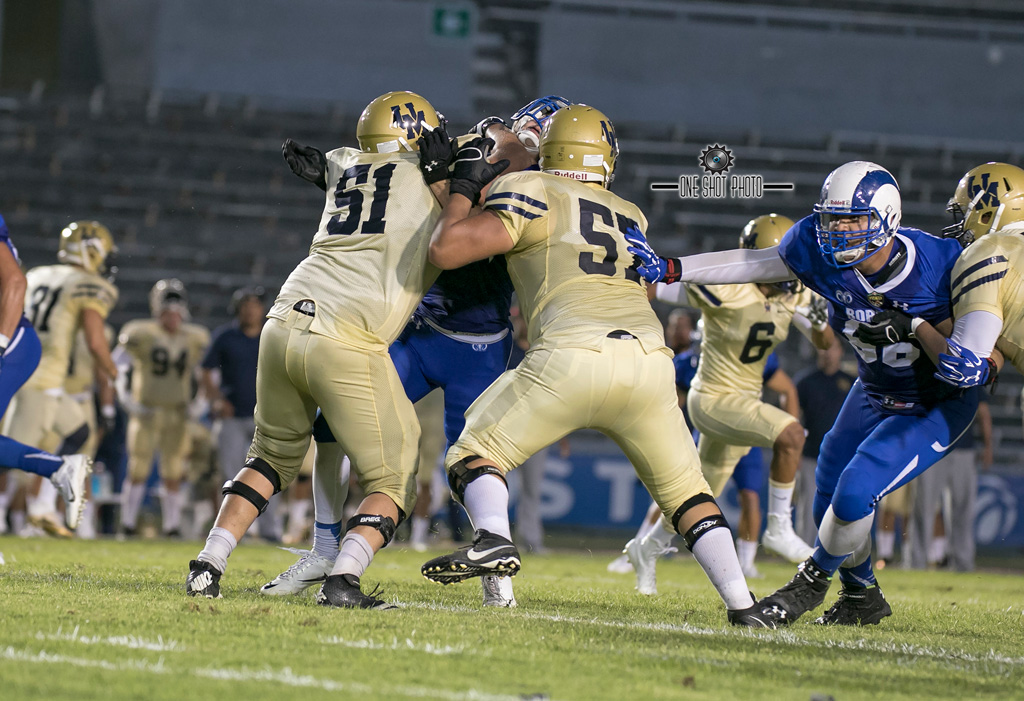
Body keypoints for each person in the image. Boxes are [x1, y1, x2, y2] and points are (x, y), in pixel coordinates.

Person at [419, 105, 776, 627]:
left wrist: (462, 186)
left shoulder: (531, 189)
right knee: (689, 495)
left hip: (572, 353)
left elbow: (448, 248)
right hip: (649, 361)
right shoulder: (629, 211)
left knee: (473, 453)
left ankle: (494, 537)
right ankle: (744, 607)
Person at [627, 161, 977, 626]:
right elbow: (756, 263)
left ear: (888, 219)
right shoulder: (817, 248)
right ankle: (861, 594)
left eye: (853, 220)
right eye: (833, 219)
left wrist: (918, 327)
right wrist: (673, 268)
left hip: (932, 403)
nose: (838, 231)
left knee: (854, 495)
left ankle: (807, 585)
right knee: (827, 496)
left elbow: (979, 347)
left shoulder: (940, 265)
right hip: (872, 389)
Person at [262, 97, 565, 608]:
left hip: (479, 341)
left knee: (476, 456)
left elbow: (462, 224)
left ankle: (496, 571)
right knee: (331, 424)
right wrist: (332, 180)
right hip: (420, 327)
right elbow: (401, 196)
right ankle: (325, 545)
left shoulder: (545, 192)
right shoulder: (492, 145)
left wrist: (451, 182)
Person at [186, 91, 447, 608]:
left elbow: (345, 171)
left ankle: (208, 563)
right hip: (348, 332)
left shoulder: (346, 164)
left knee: (269, 457)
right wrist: (446, 177)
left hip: (283, 318)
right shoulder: (429, 175)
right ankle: (344, 579)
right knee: (394, 477)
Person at [649, 213, 833, 565]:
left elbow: (823, 342)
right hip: (712, 398)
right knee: (792, 435)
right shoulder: (727, 286)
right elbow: (655, 286)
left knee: (699, 494)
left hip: (745, 400)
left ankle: (647, 546)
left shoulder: (793, 292)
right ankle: (779, 528)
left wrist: (821, 320)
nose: (787, 271)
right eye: (778, 261)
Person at [0, 217, 110, 533]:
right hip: (44, 374)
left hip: (26, 361)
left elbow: (94, 340)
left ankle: (31, 510)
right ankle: (50, 485)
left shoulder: (40, 275)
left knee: (70, 435)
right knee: (77, 433)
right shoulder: (80, 283)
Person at [117, 279, 210, 537]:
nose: (172, 317)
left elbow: (206, 373)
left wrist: (199, 402)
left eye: (176, 312)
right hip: (146, 411)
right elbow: (117, 366)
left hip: (178, 413)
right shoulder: (140, 333)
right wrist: (127, 399)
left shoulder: (194, 337)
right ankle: (127, 524)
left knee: (174, 470)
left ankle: (171, 526)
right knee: (138, 468)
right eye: (167, 311)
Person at [923, 162, 1024, 387]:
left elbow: (964, 366)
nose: (960, 224)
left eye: (964, 212)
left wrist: (914, 325)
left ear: (986, 214)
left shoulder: (992, 248)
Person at [200, 286, 281, 540]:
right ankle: (233, 531)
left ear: (262, 308)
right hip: (232, 415)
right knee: (231, 473)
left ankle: (271, 530)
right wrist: (217, 399)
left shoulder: (273, 334)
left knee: (271, 474)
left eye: (254, 305)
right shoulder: (225, 336)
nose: (249, 310)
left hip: (266, 416)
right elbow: (205, 371)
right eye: (245, 305)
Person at [793, 341, 855, 545]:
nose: (827, 353)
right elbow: (794, 420)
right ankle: (804, 551)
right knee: (809, 505)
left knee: (843, 508)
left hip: (844, 457)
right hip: (812, 455)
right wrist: (795, 454)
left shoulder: (851, 382)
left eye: (832, 348)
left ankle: (841, 553)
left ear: (840, 351)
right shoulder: (805, 382)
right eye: (823, 347)